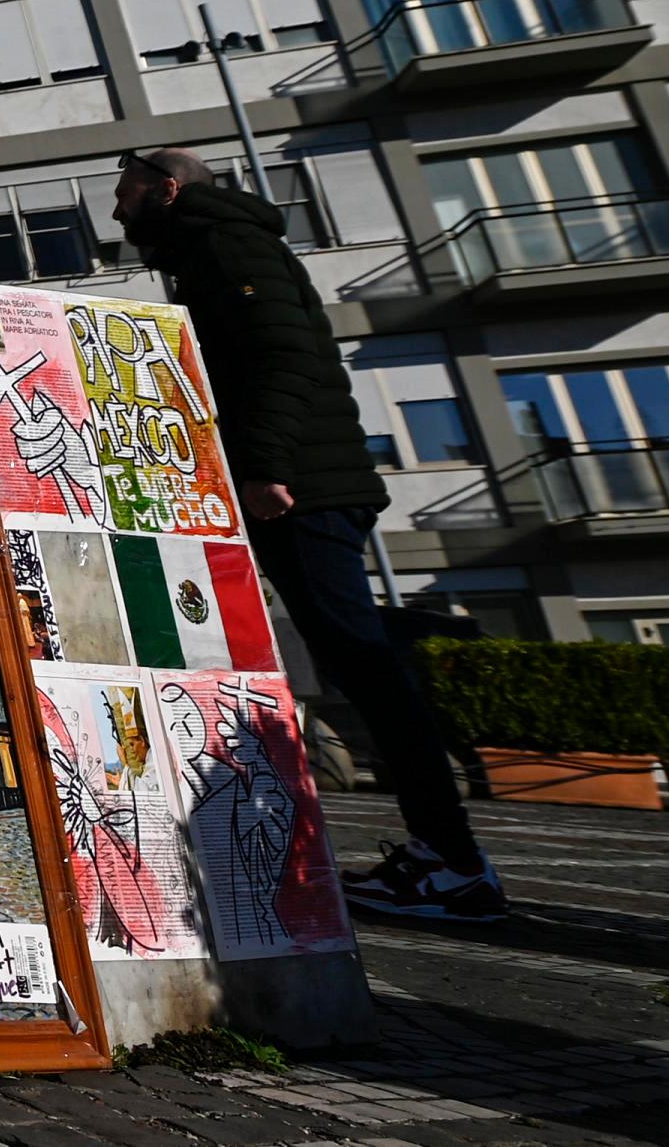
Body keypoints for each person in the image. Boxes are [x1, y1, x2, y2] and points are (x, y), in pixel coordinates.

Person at [112, 146, 505, 923]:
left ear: (167, 187)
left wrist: (264, 466)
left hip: (304, 490)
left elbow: (283, 355)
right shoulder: (208, 249)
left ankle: (456, 865)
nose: (118, 212)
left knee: (361, 658)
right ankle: (442, 833)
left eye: (125, 194)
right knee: (348, 647)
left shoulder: (229, 244)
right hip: (306, 483)